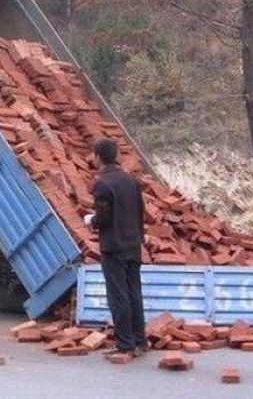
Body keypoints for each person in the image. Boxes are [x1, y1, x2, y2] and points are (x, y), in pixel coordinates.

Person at [84, 138, 146, 358]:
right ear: (116, 155)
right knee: (134, 293)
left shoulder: (102, 184)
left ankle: (125, 343)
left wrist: (91, 220)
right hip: (133, 245)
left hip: (114, 247)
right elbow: (140, 212)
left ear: (97, 157)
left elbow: (104, 217)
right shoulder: (131, 180)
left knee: (118, 296)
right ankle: (140, 341)